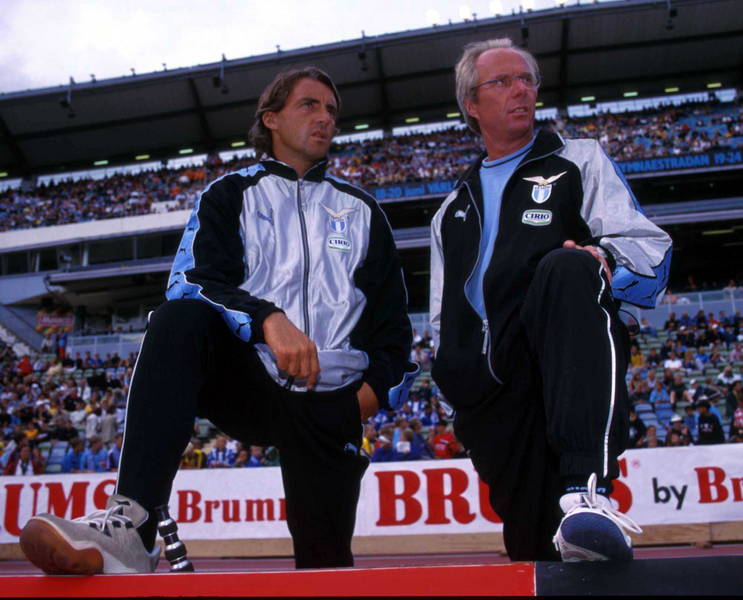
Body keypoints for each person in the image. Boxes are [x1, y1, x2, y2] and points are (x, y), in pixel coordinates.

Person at [21, 66, 417, 575]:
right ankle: (134, 528)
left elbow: (395, 335)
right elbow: (192, 281)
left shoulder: (363, 211)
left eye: (332, 110)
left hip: (333, 401)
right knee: (177, 321)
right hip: (251, 382)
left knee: (327, 568)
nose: (325, 118)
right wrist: (267, 319)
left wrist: (358, 403)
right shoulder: (228, 195)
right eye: (310, 105)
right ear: (270, 118)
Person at [430, 38, 670, 562]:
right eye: (503, 81)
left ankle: (588, 489)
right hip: (490, 395)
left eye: (527, 80)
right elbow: (441, 315)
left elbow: (651, 253)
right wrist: (453, 385)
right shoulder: (451, 207)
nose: (521, 90)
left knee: (566, 264)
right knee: (534, 553)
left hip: (559, 363)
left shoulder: (578, 160)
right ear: (471, 103)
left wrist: (602, 261)